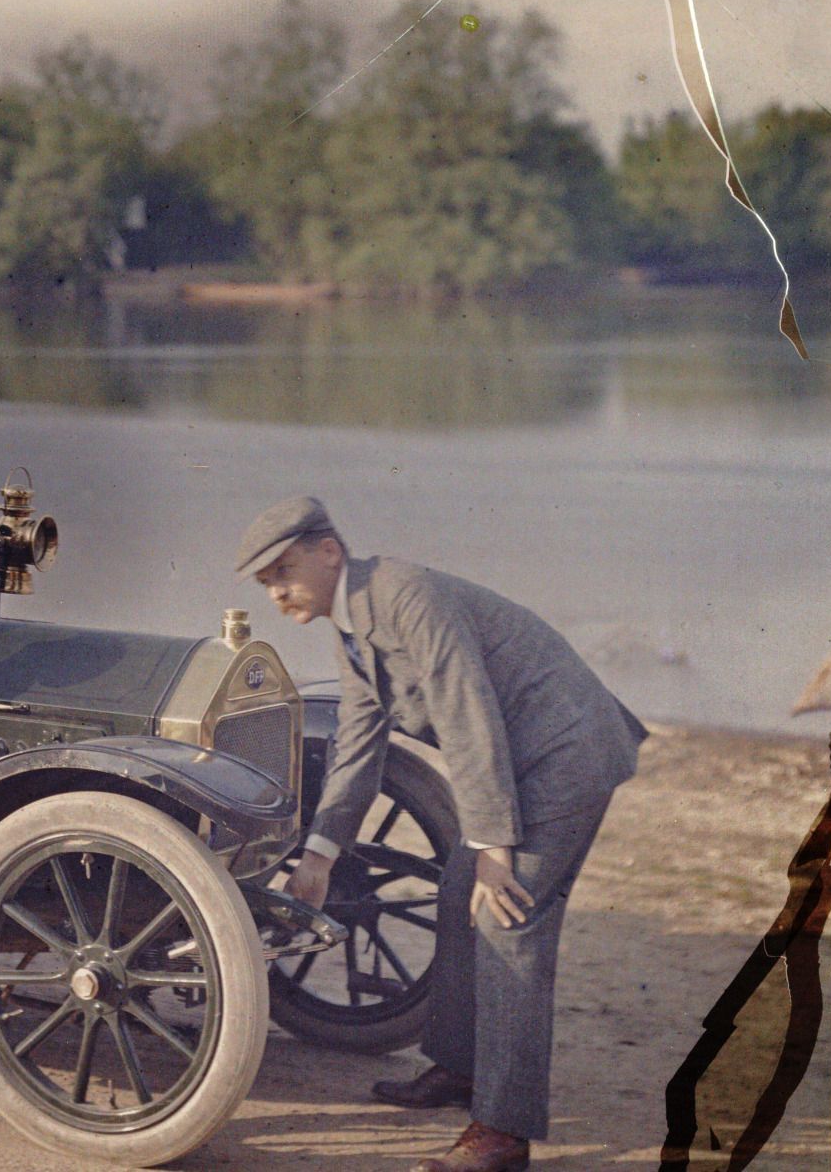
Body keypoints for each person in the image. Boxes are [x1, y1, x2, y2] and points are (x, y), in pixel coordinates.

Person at [236, 496, 644, 1172]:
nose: (276, 591)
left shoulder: (405, 595)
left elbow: (467, 711)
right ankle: (459, 1070)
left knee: (508, 921)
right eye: (264, 582)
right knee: (459, 896)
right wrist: (318, 854)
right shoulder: (352, 628)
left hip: (566, 752)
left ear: (330, 551)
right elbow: (359, 746)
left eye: (284, 570)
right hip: (521, 757)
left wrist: (492, 843)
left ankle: (503, 1133)